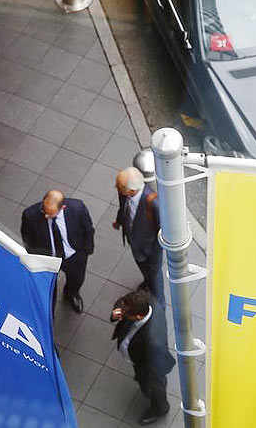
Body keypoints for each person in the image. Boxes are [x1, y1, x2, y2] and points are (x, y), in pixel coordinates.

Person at [20, 190, 94, 314]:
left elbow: (88, 229)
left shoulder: (78, 208)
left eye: (51, 214)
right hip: (48, 259)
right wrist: (36, 257)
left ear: (62, 208)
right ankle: (49, 312)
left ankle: (71, 295)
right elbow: (27, 237)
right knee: (48, 287)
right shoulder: (30, 215)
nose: (45, 216)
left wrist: (87, 250)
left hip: (73, 256)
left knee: (76, 280)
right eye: (44, 210)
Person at [111, 290, 175, 425]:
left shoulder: (151, 341)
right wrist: (118, 311)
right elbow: (123, 301)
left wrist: (143, 375)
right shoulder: (145, 300)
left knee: (154, 386)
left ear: (138, 317)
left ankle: (160, 408)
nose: (122, 312)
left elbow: (153, 367)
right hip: (141, 357)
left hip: (150, 366)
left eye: (125, 312)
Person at [113, 167, 165, 306]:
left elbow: (163, 232)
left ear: (131, 191)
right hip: (135, 242)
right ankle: (147, 281)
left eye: (119, 185)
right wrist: (119, 221)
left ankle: (159, 305)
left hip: (151, 250)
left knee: (155, 278)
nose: (115, 187)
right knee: (142, 267)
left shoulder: (154, 203)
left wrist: (155, 252)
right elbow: (122, 207)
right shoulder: (124, 192)